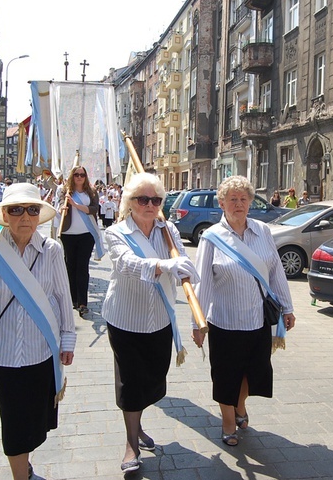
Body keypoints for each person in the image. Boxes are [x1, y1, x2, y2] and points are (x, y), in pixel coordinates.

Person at [0, 183, 76, 480]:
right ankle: (20, 475)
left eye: (31, 209)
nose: (24, 216)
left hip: (43, 350)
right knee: (14, 424)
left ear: (39, 215)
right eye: (16, 210)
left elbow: (64, 297)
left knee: (36, 420)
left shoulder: (52, 250)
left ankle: (23, 463)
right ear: (5, 214)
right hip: (3, 355)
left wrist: (68, 339)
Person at [102, 173, 199, 473]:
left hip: (159, 319)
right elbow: (126, 264)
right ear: (130, 202)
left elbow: (180, 258)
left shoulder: (167, 229)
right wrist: (164, 265)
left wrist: (185, 267)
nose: (149, 205)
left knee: (152, 378)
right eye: (142, 199)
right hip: (125, 319)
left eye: (155, 200)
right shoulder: (117, 232)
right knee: (131, 382)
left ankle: (138, 424)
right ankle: (131, 443)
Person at [193, 175, 296, 447]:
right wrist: (198, 323)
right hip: (224, 321)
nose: (238, 204)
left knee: (254, 372)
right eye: (232, 200)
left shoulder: (262, 231)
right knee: (226, 375)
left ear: (250, 202)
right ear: (222, 203)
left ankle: (240, 405)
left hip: (257, 319)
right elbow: (202, 282)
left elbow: (276, 271)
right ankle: (228, 422)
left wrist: (288, 307)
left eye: (243, 199)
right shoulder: (211, 238)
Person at [58, 166, 102, 318]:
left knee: (82, 267)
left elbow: (94, 209)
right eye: (76, 174)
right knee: (70, 266)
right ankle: (73, 299)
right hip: (68, 234)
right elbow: (59, 207)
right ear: (72, 176)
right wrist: (63, 208)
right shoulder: (66, 191)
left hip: (86, 234)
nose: (79, 177)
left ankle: (83, 302)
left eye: (82, 175)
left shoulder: (91, 192)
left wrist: (76, 205)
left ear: (85, 177)